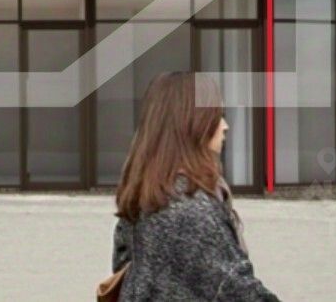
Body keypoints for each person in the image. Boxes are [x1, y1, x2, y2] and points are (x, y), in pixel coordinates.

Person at [110, 71, 280, 301]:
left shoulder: (146, 197)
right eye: (216, 116)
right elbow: (237, 290)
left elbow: (124, 274)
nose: (225, 126)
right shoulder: (191, 209)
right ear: (191, 123)